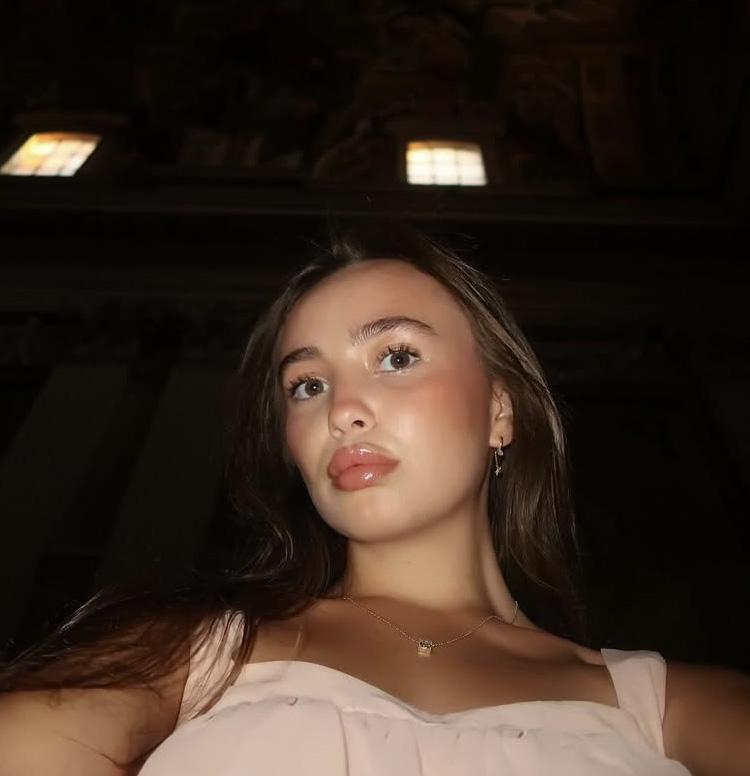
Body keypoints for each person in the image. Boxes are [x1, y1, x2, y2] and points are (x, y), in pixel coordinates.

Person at [0, 222, 748, 776]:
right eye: (307, 385)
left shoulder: (672, 709)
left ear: (499, 409)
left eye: (396, 356)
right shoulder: (183, 658)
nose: (342, 410)